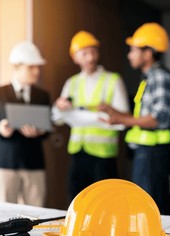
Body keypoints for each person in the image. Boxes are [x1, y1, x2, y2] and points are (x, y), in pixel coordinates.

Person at [99, 23, 170, 214]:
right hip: (145, 154)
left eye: (133, 50)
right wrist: (115, 113)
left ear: (148, 53)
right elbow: (140, 117)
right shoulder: (148, 79)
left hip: (154, 155)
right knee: (143, 208)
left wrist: (121, 121)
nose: (129, 55)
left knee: (151, 210)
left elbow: (157, 119)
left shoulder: (160, 77)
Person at [52, 30, 129, 202]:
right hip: (78, 154)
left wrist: (107, 114)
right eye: (85, 53)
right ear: (75, 57)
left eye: (93, 52)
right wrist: (59, 106)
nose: (90, 58)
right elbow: (57, 118)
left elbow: (124, 120)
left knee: (106, 202)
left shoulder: (113, 80)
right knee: (77, 202)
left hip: (104, 156)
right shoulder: (71, 83)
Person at [0, 41, 50, 207]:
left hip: (34, 163)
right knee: (6, 213)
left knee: (36, 213)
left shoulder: (43, 96)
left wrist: (39, 132)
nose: (37, 71)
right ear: (17, 67)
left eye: (38, 67)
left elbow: (49, 128)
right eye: (31, 67)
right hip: (5, 163)